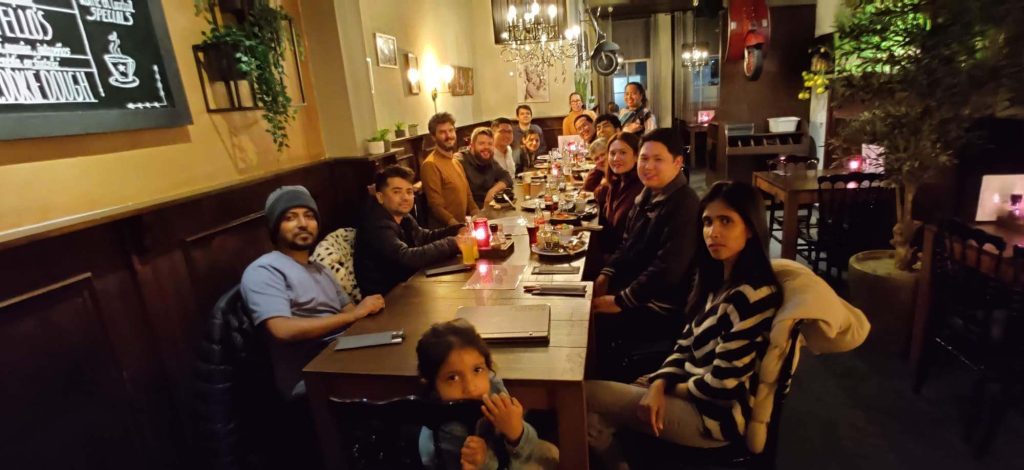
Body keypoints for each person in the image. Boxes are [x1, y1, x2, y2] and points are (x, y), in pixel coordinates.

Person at [586, 181, 784, 467]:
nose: (712, 232)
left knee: (584, 396)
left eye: (726, 221)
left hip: (713, 419)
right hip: (689, 391)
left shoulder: (752, 295)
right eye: (707, 222)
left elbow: (721, 386)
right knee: (593, 414)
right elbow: (686, 339)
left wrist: (662, 385)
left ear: (751, 228)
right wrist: (662, 379)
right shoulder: (719, 281)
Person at [241, 185, 386, 399]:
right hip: (311, 376)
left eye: (309, 216)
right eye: (290, 217)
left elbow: (352, 315)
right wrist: (354, 315)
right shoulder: (264, 270)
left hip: (346, 354)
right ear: (274, 227)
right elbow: (282, 329)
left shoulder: (321, 269)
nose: (302, 224)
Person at [591, 129, 700, 382]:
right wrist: (607, 273)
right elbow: (628, 245)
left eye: (657, 159)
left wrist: (620, 301)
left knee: (588, 324)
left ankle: (602, 394)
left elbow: (667, 271)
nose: (648, 166)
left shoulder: (684, 204)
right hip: (637, 290)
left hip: (662, 308)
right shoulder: (649, 195)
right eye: (643, 158)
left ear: (677, 162)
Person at [416, 319, 559, 470]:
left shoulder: (494, 388)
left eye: (477, 370)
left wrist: (517, 432)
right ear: (433, 387)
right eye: (453, 378)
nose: (471, 388)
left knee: (551, 453)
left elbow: (526, 448)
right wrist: (483, 462)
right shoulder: (447, 429)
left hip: (506, 455)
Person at [355, 166, 465, 296]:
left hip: (408, 286)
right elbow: (406, 258)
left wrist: (458, 229)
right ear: (380, 197)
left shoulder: (402, 216)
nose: (405, 197)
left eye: (409, 191)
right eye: (396, 192)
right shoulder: (376, 225)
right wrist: (453, 243)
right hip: (387, 299)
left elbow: (424, 237)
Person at [421, 112, 479, 227]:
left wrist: (477, 216)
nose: (448, 136)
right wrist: (457, 227)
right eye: (442, 132)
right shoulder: (430, 164)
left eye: (451, 130)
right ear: (433, 136)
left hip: (463, 228)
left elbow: (468, 195)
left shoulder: (456, 161)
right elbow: (435, 206)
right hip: (446, 233)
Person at [594, 132, 644, 260]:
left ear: (636, 156)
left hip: (625, 261)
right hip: (611, 254)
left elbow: (634, 242)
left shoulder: (641, 188)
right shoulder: (616, 183)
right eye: (612, 153)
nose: (616, 158)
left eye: (623, 153)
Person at [458, 127, 513, 207]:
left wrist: (492, 191)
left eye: (490, 144)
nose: (486, 147)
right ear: (472, 145)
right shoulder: (461, 161)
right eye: (481, 143)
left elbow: (506, 177)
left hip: (490, 209)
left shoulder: (489, 160)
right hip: (472, 213)